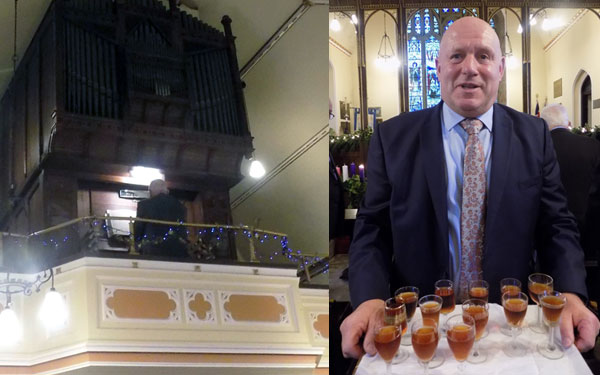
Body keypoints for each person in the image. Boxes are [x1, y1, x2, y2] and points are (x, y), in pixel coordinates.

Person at [340, 17, 600, 359]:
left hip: (509, 326)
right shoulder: (394, 139)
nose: (470, 68)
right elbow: (372, 229)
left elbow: (556, 225)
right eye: (457, 56)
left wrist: (571, 294)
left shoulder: (533, 137)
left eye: (483, 56)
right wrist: (370, 299)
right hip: (420, 324)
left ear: (501, 67)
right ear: (437, 66)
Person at [541, 103, 600, 257]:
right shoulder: (593, 146)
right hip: (588, 229)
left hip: (547, 231)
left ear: (544, 124)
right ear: (568, 123)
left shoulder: (539, 148)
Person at [134, 179, 188, 257]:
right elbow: (183, 229)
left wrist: (134, 242)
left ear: (151, 191)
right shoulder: (180, 206)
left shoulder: (144, 205)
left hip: (152, 248)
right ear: (166, 190)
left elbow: (139, 227)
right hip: (176, 248)